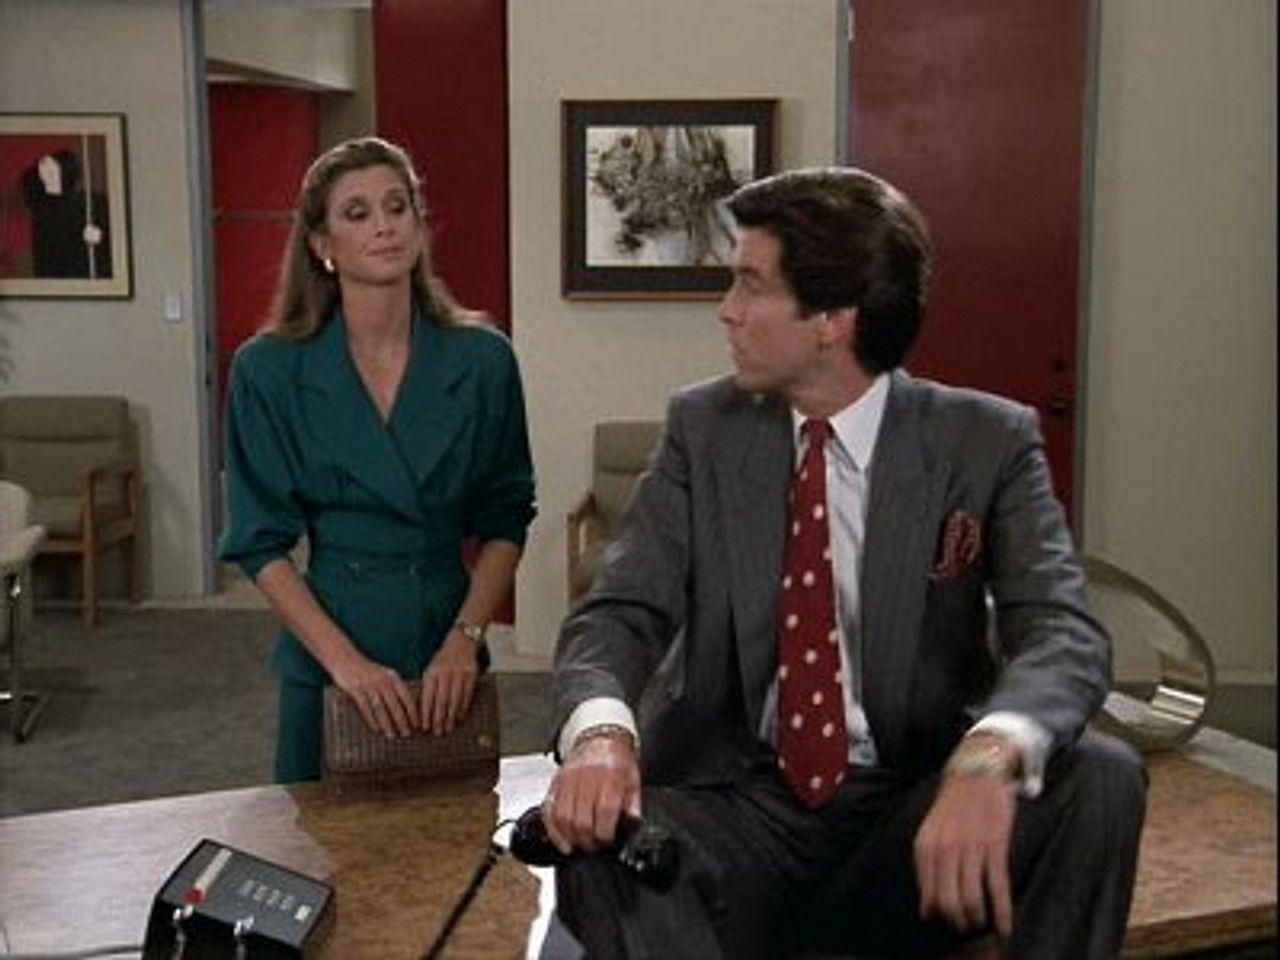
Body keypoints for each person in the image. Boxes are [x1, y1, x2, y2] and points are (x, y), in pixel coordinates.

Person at [541, 167, 1145, 959]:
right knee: (599, 844)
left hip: (908, 812)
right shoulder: (705, 428)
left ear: (832, 319)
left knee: (1100, 778)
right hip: (742, 809)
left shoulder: (985, 441)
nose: (727, 309)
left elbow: (1063, 632)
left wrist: (990, 755)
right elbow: (620, 611)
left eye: (751, 284)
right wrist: (600, 735)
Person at [219, 137, 536, 783]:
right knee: (316, 841)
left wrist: (466, 641)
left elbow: (507, 518)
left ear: (420, 225)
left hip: (446, 654)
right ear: (322, 244)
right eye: (357, 213)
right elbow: (259, 542)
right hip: (329, 653)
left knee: (453, 839)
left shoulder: (484, 360)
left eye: (398, 207)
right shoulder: (268, 370)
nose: (384, 226)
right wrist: (346, 665)